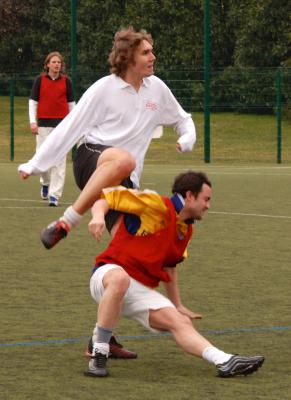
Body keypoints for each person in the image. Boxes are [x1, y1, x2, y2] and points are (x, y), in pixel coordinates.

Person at [18, 26, 196, 250]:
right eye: (146, 53)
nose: (153, 56)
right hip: (91, 158)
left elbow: (183, 119)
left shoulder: (157, 89)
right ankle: (68, 220)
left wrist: (187, 137)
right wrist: (36, 163)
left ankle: (107, 276)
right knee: (124, 160)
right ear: (128, 59)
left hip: (126, 181)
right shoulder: (103, 88)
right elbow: (69, 128)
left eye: (152, 51)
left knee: (133, 248)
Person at [85, 171, 264, 378]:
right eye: (206, 199)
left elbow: (170, 268)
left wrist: (177, 305)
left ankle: (224, 360)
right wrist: (98, 217)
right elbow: (105, 198)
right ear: (189, 196)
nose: (208, 205)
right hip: (107, 274)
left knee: (180, 322)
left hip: (137, 289)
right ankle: (99, 353)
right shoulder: (156, 204)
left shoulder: (185, 231)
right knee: (120, 279)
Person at [29, 51, 75, 206]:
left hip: (61, 127)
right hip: (42, 126)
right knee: (42, 159)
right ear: (47, 64)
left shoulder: (67, 81)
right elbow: (33, 102)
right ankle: (45, 182)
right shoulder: (39, 80)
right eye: (54, 62)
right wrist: (32, 122)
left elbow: (71, 105)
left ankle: (54, 196)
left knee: (59, 161)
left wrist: (72, 124)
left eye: (59, 62)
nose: (57, 65)